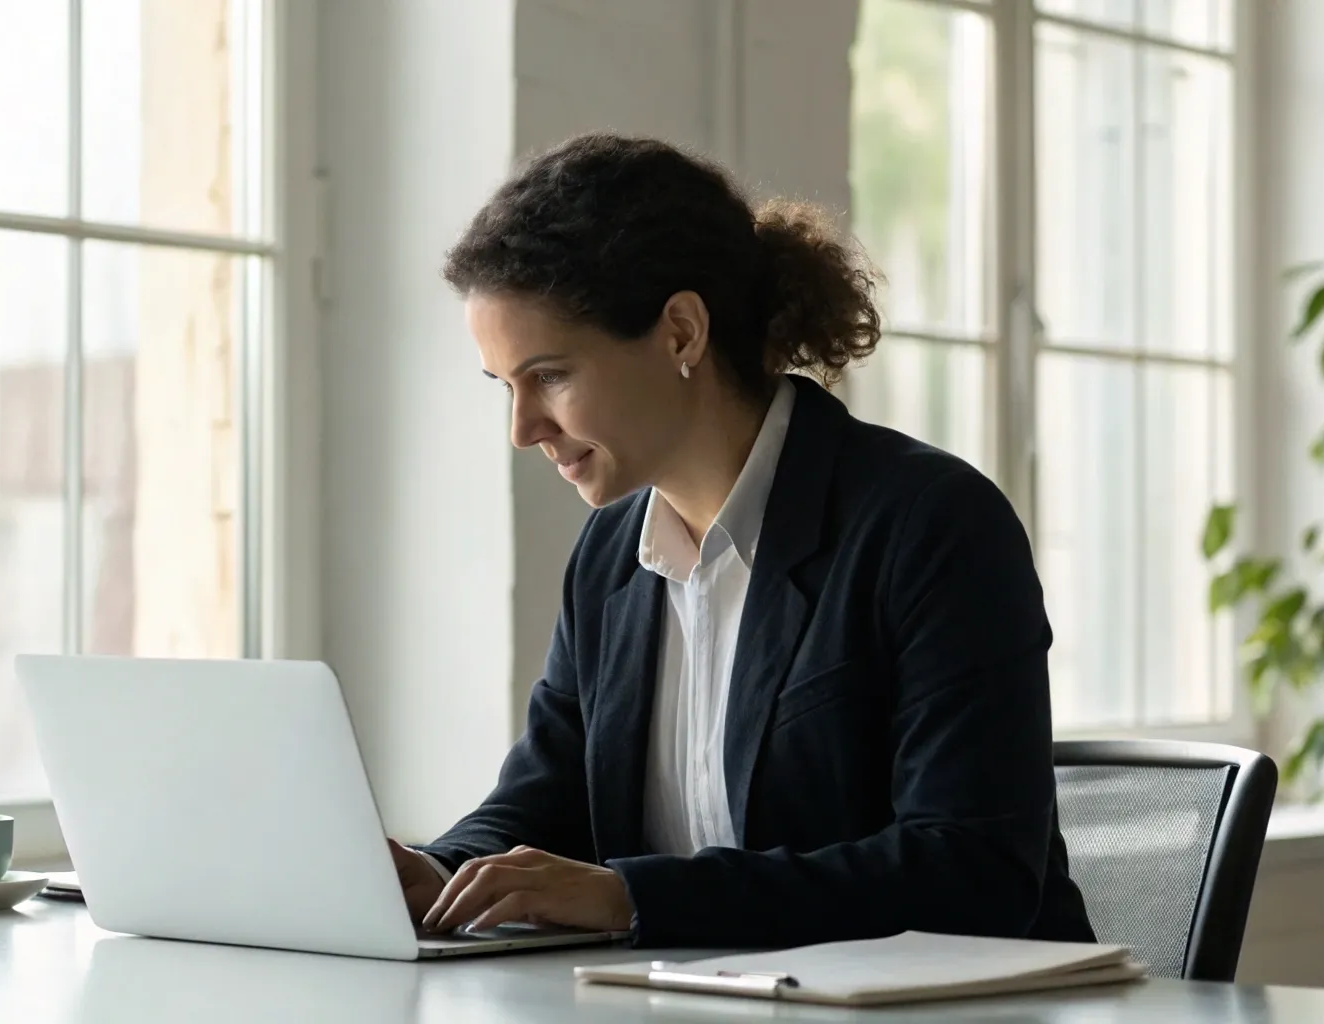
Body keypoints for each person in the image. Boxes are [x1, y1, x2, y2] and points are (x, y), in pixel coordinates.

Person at [386, 132, 1096, 950]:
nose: (523, 429)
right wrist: (437, 874)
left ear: (682, 332)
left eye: (549, 376)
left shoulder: (930, 526)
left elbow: (974, 871)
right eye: (504, 387)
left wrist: (634, 897)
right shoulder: (612, 555)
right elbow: (547, 795)